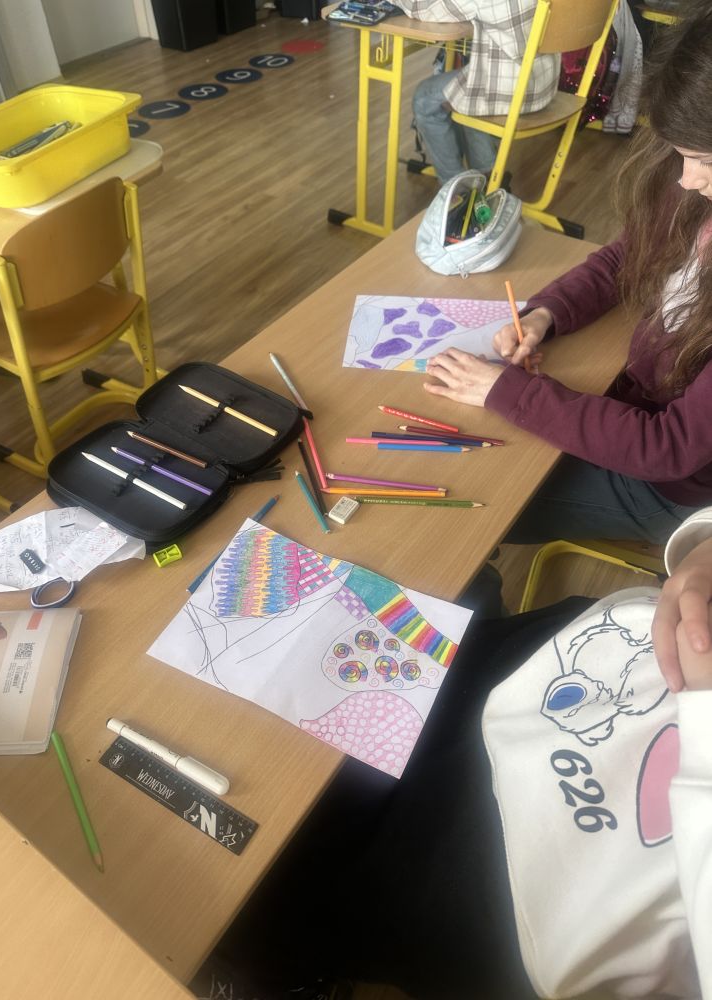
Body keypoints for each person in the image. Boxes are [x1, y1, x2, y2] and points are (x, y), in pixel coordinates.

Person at [212, 508, 712, 1000]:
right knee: (263, 706)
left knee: (245, 889)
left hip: (541, 887)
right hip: (565, 655)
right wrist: (704, 546)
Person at [422, 2, 712, 546]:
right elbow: (624, 258)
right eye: (683, 155)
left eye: (706, 160)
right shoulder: (694, 196)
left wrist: (511, 394)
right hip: (630, 408)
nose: (685, 180)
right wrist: (545, 315)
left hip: (669, 487)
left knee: (457, 510)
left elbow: (668, 448)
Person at [392, 0, 560, 182]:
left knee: (425, 98)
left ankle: (458, 188)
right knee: (465, 87)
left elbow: (426, 10)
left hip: (511, 90)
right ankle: (487, 176)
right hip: (542, 81)